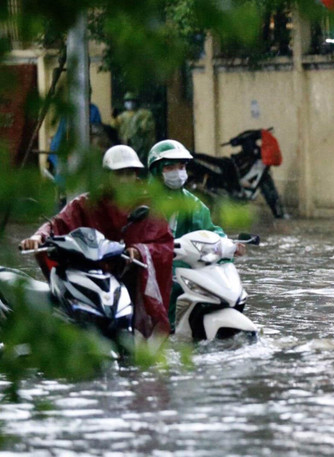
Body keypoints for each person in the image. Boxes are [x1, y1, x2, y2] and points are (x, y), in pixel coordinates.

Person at [19, 145, 174, 339]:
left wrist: (138, 251)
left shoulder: (148, 206)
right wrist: (37, 238)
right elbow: (57, 224)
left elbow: (164, 244)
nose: (125, 180)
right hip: (91, 278)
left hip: (132, 281)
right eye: (119, 174)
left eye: (129, 173)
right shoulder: (88, 203)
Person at [146, 139, 245, 326]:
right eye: (170, 167)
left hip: (183, 271)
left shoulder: (193, 204)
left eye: (181, 166)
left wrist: (229, 246)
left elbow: (210, 232)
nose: (178, 172)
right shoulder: (141, 202)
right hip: (148, 271)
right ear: (156, 171)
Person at [112, 92, 156, 165]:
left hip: (139, 145)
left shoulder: (143, 114)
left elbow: (146, 128)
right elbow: (113, 127)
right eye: (128, 101)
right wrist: (114, 117)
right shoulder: (122, 116)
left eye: (132, 101)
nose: (130, 103)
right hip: (125, 144)